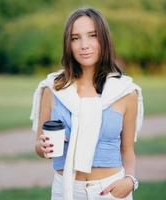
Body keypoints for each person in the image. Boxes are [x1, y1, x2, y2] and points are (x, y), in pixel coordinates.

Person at [30, 7, 144, 200]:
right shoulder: (52, 89)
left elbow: (127, 150)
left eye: (92, 35)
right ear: (68, 44)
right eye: (75, 38)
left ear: (104, 40)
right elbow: (39, 146)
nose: (84, 45)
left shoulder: (125, 92)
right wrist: (43, 148)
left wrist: (131, 180)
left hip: (110, 191)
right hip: (64, 190)